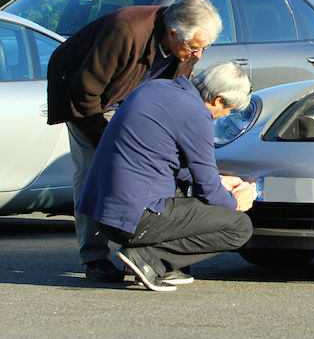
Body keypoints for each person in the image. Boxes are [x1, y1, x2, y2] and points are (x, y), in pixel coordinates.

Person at [46, 0, 222, 283]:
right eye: (193, 48)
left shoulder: (184, 49)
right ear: (173, 33)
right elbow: (85, 92)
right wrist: (108, 141)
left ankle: (146, 255)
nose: (197, 56)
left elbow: (175, 94)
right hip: (89, 102)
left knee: (158, 173)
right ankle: (94, 257)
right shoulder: (125, 31)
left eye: (204, 48)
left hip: (133, 104)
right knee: (94, 173)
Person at [76, 61, 255, 292]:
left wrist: (219, 179)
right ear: (218, 100)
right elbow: (208, 192)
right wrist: (237, 201)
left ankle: (156, 260)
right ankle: (149, 258)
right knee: (239, 227)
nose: (223, 116)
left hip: (102, 212)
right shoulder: (197, 114)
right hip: (135, 219)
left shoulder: (155, 88)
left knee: (191, 192)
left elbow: (162, 158)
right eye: (227, 110)